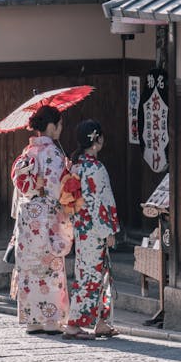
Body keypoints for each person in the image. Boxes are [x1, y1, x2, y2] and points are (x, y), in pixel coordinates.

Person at [10, 105, 73, 334]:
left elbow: (20, 188)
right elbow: (58, 189)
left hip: (27, 218)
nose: (61, 128)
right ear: (51, 126)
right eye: (59, 124)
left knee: (29, 268)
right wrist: (68, 173)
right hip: (46, 217)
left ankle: (32, 319)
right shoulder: (53, 154)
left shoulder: (28, 152)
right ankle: (50, 320)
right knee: (50, 269)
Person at [62, 119, 121, 340]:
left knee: (97, 274)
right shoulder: (95, 168)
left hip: (81, 226)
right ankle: (74, 324)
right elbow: (100, 202)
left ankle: (102, 322)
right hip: (94, 229)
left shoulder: (75, 166)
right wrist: (109, 231)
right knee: (89, 276)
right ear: (97, 140)